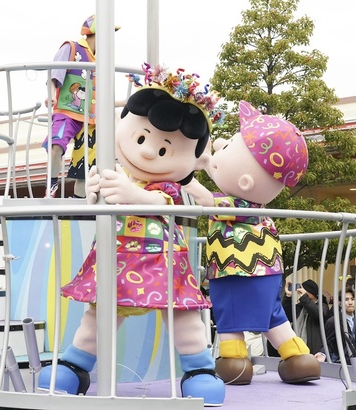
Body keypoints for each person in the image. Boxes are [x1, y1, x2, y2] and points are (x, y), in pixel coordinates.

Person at [38, 64, 226, 405]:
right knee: (99, 316)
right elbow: (98, 202)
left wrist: (129, 192)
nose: (148, 151)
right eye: (141, 138)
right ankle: (75, 365)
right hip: (118, 261)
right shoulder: (116, 174)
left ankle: (199, 369)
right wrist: (95, 191)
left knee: (183, 318)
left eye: (165, 149)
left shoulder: (165, 186)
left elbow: (160, 202)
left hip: (163, 263)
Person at [184, 101, 320, 386]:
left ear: (245, 181)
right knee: (272, 316)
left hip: (234, 269)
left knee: (229, 315)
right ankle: (298, 357)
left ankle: (234, 361)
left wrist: (185, 178)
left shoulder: (236, 204)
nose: (219, 146)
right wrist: (208, 161)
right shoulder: (258, 208)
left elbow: (205, 199)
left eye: (228, 147)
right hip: (268, 270)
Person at [41, 14, 120, 198]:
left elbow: (101, 97)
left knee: (85, 168)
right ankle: (51, 186)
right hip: (68, 112)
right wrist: (51, 95)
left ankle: (79, 203)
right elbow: (54, 74)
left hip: (91, 120)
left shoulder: (101, 60)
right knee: (56, 145)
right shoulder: (72, 48)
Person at [282, 279, 329, 355]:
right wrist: (288, 296)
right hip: (296, 349)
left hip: (313, 351)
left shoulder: (323, 306)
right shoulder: (300, 306)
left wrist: (304, 297)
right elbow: (287, 316)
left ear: (312, 292)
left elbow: (317, 314)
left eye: (305, 290)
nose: (302, 292)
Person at [315, 287, 356, 364]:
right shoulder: (333, 321)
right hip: (340, 363)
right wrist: (322, 354)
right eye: (346, 300)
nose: (350, 302)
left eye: (353, 299)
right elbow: (329, 343)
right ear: (340, 303)